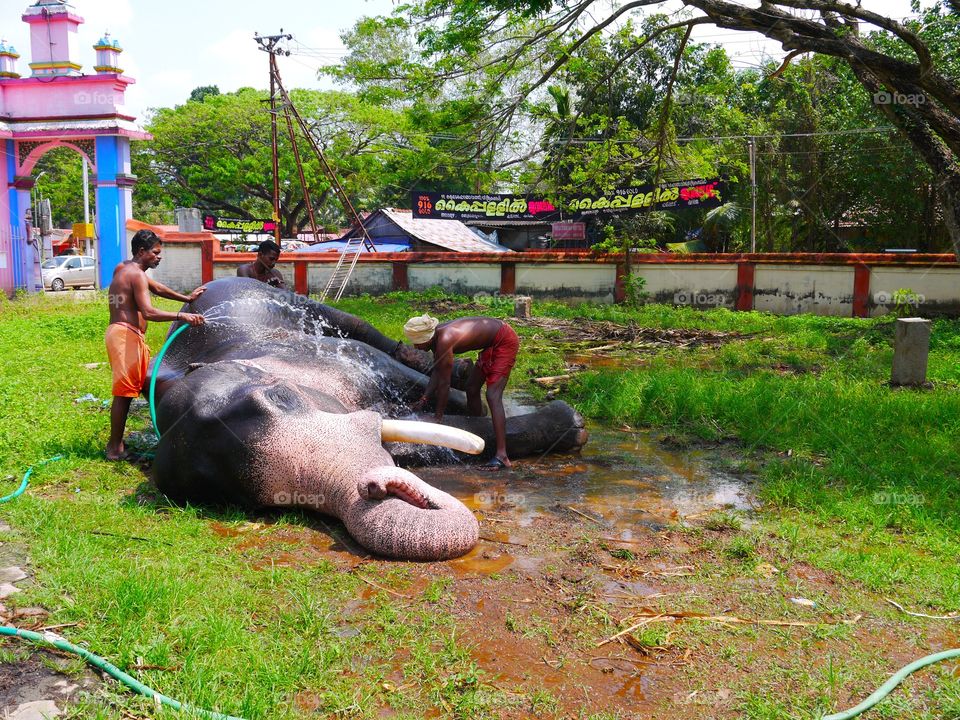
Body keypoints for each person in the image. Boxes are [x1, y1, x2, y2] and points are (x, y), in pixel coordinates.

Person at [105, 229, 206, 461]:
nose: (159, 257)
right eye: (156, 253)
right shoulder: (137, 275)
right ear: (142, 251)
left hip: (122, 334)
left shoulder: (124, 268)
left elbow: (157, 289)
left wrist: (187, 299)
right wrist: (183, 317)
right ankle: (114, 449)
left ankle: (117, 444)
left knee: (129, 390)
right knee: (123, 394)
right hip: (125, 336)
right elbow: (149, 312)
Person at [404, 314, 520, 470]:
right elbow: (437, 372)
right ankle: (478, 425)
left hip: (504, 340)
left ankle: (502, 456)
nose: (416, 347)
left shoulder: (444, 340)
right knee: (471, 388)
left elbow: (445, 383)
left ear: (427, 338)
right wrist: (424, 399)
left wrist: (437, 418)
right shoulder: (437, 337)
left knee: (493, 395)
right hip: (493, 342)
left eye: (418, 343)